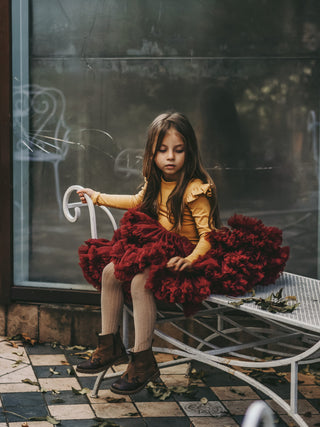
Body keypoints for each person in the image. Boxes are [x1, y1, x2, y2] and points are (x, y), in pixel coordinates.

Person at [75, 112, 289, 396]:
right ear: (152, 153)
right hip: (159, 250)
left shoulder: (195, 189)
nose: (170, 157)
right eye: (162, 150)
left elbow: (208, 236)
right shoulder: (156, 182)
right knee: (110, 271)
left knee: (140, 280)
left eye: (178, 150)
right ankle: (109, 344)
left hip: (188, 256)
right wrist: (97, 196)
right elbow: (136, 201)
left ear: (189, 151)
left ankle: (142, 360)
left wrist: (190, 260)